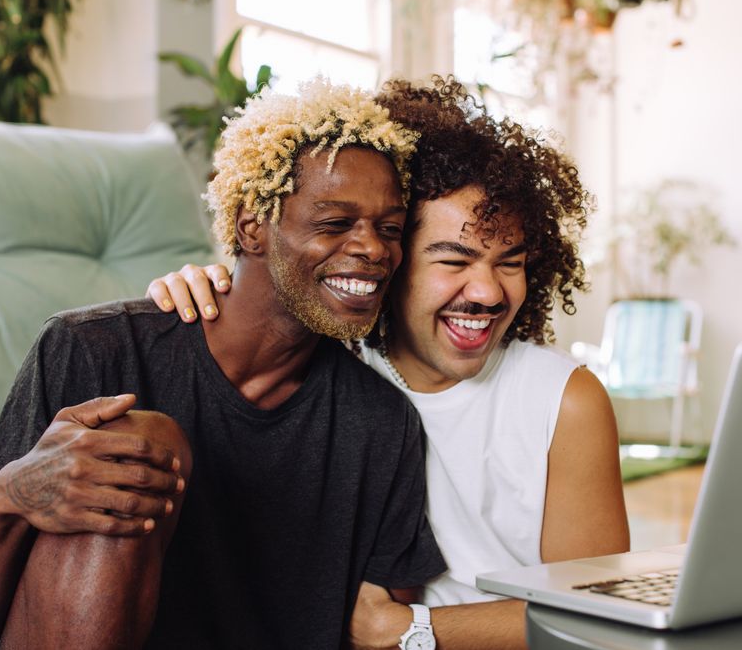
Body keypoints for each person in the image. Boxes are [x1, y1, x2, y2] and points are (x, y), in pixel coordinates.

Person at [0, 79, 447, 650]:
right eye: (334, 223)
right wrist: (15, 491)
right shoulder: (95, 350)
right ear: (252, 227)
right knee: (135, 443)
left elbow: (380, 626)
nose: (375, 249)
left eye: (390, 229)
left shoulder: (382, 424)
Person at [149, 77, 630, 650]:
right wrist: (204, 286)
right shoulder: (332, 365)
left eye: (511, 262)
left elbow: (600, 615)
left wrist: (413, 631)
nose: (488, 292)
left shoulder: (563, 401)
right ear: (392, 260)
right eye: (454, 259)